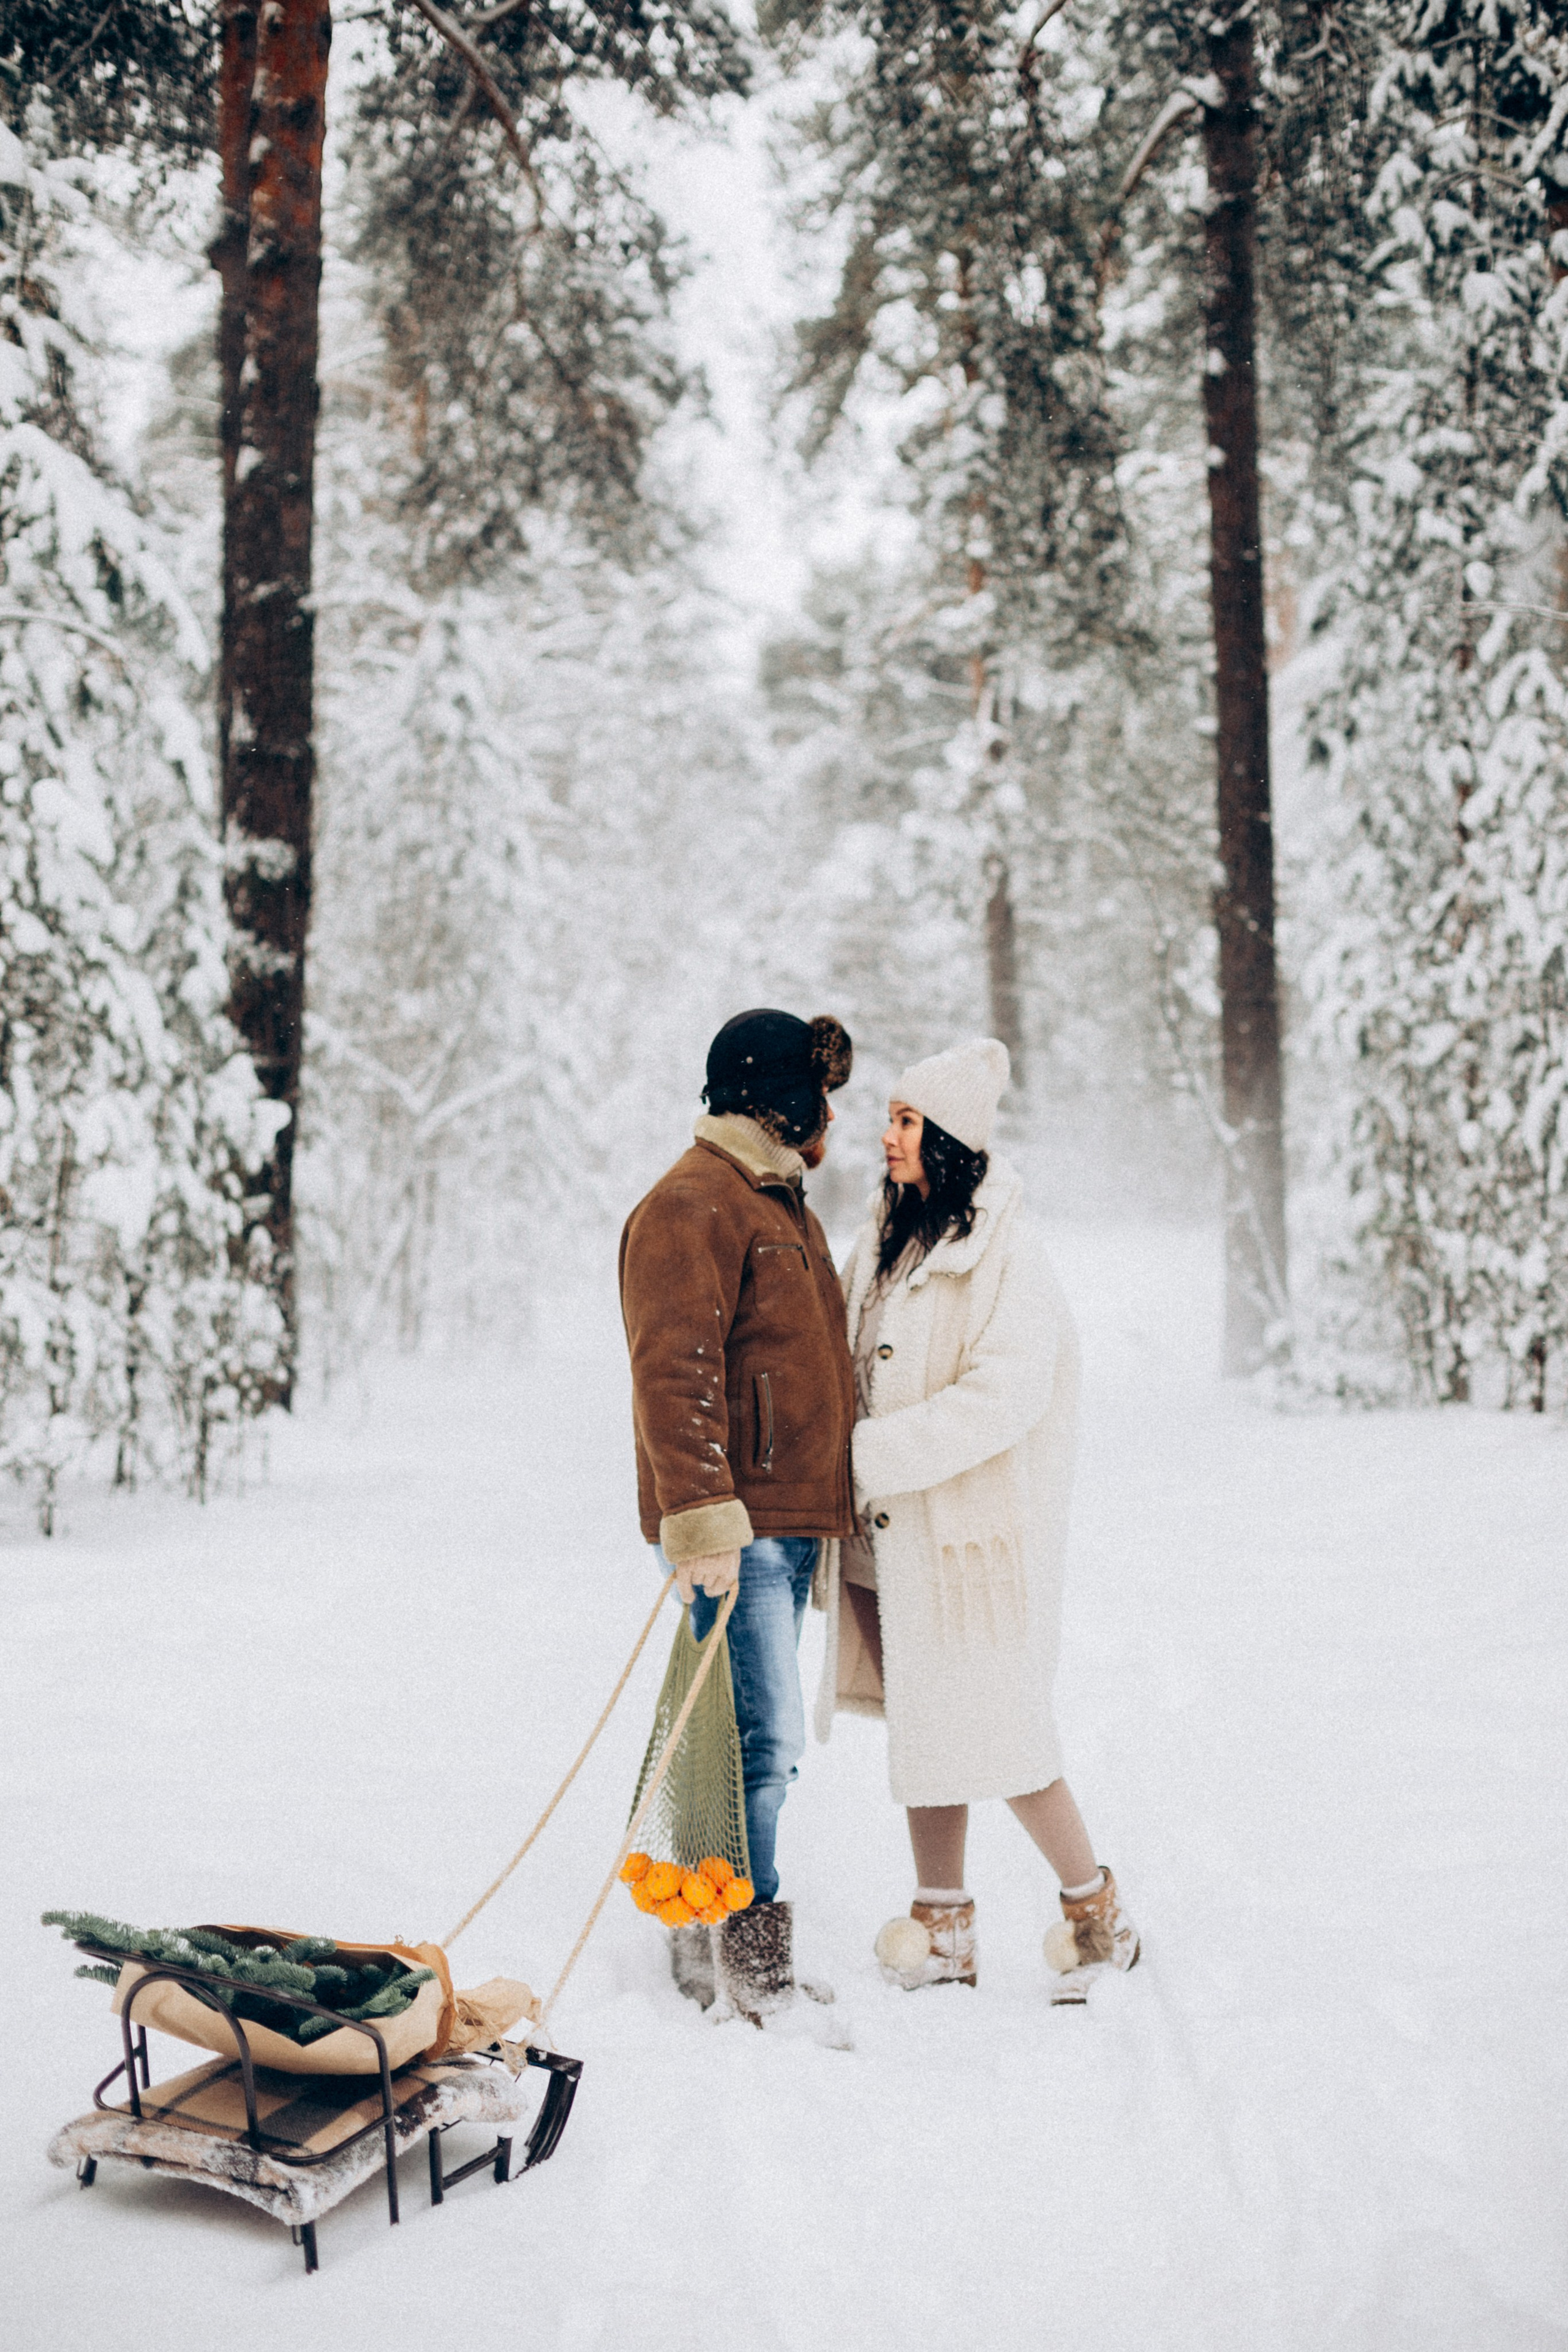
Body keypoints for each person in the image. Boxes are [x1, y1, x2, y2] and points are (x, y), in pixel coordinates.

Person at [814, 1037, 1140, 2003]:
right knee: (925, 1727)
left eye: (907, 1121)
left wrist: (868, 1456)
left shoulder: (1008, 1253)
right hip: (888, 1539)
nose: (888, 1135)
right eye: (891, 1118)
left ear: (951, 1137)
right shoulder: (883, 1237)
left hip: (971, 1546)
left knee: (1005, 1732)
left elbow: (1005, 1395)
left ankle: (1097, 1916)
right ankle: (941, 1923)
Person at [619, 1008, 856, 2022]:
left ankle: (706, 1932)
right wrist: (706, 1518)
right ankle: (749, 1964)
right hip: (742, 1528)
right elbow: (674, 1373)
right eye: (820, 1092)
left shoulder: (769, 1199)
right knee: (766, 1740)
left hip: (781, 1523)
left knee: (739, 1737)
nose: (833, 1115)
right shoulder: (692, 1205)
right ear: (776, 1095)